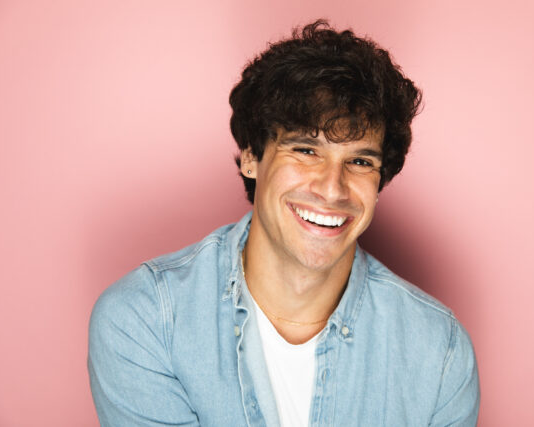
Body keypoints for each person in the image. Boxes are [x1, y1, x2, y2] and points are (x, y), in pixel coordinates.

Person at [88, 20, 480, 426]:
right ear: (251, 157)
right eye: (306, 150)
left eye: (360, 161)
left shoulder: (439, 352)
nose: (332, 188)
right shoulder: (147, 318)